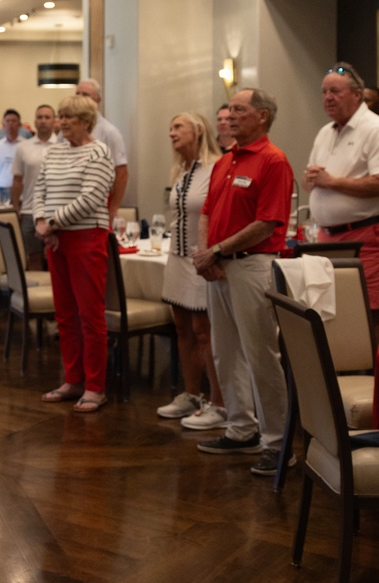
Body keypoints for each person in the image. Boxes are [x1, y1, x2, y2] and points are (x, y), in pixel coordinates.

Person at [192, 88, 293, 478]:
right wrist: (206, 255)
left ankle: (277, 444)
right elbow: (206, 213)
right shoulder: (226, 161)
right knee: (226, 353)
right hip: (217, 266)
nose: (229, 116)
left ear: (262, 116)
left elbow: (267, 222)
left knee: (260, 356)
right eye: (229, 109)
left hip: (252, 266)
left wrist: (215, 250)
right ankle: (240, 428)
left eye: (239, 110)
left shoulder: (273, 160)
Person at [33, 94, 115, 412]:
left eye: (69, 117)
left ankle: (95, 386)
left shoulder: (99, 152)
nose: (62, 122)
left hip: (87, 238)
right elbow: (39, 189)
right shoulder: (55, 150)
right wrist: (42, 221)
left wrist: (51, 223)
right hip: (56, 240)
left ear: (86, 121)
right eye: (61, 116)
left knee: (90, 316)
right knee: (65, 315)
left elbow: (93, 197)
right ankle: (73, 379)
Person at [154, 113, 226, 427]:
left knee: (203, 331)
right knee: (182, 328)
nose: (171, 132)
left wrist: (211, 253)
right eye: (170, 127)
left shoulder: (215, 169)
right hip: (177, 257)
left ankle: (219, 402)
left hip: (201, 257)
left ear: (197, 131)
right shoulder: (182, 171)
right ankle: (192, 394)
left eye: (177, 126)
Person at [304, 61, 379, 316]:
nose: (328, 98)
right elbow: (311, 180)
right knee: (332, 314)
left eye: (335, 92)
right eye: (324, 92)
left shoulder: (374, 128)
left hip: (364, 239)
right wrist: (312, 178)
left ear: (357, 95)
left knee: (366, 314)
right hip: (325, 239)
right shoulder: (325, 132)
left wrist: (332, 182)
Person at [11, 104, 57, 270]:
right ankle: (35, 294)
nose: (43, 121)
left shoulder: (63, 146)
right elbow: (17, 180)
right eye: (40, 117)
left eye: (47, 117)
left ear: (54, 121)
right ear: (34, 122)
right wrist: (16, 207)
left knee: (56, 257)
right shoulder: (23, 147)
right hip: (29, 209)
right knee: (33, 257)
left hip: (56, 210)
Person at [76, 79, 128, 217]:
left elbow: (121, 172)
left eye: (85, 95)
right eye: (77, 94)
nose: (80, 99)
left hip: (98, 204)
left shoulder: (109, 131)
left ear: (98, 100)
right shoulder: (67, 131)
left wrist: (113, 208)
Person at [0, 108, 23, 200]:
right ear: (3, 124)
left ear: (19, 124)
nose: (10, 124)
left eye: (14, 121)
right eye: (8, 121)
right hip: (1, 188)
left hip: (21, 189)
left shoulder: (26, 145)